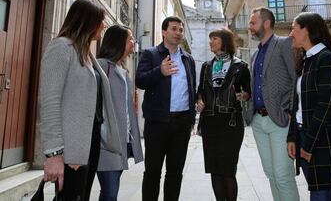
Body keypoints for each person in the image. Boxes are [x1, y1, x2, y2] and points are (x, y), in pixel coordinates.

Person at [39, 0, 122, 200]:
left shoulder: (86, 53)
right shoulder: (61, 48)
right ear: (86, 21)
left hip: (89, 144)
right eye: (100, 20)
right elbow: (50, 103)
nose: (104, 25)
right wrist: (54, 155)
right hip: (70, 149)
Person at [287, 12, 331, 200]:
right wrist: (292, 137)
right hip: (304, 135)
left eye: (294, 28)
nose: (291, 33)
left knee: (321, 194)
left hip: (323, 140)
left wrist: (308, 145)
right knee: (319, 191)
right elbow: (297, 105)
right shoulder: (305, 61)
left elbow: (325, 105)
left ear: (306, 30)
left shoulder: (326, 59)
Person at [135, 16, 196, 201]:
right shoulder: (151, 54)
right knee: (153, 172)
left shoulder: (188, 59)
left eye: (180, 29)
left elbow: (191, 88)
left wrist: (192, 117)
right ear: (164, 32)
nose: (178, 33)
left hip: (182, 124)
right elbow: (140, 80)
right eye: (174, 28)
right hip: (157, 123)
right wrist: (159, 72)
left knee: (175, 173)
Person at [244, 7, 300, 201]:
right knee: (271, 174)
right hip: (259, 122)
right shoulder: (254, 56)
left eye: (253, 23)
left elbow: (295, 80)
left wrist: (291, 111)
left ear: (266, 23)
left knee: (283, 176)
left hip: (280, 120)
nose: (249, 27)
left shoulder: (284, 44)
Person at [196, 28, 251, 201]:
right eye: (210, 38)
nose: (210, 41)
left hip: (231, 123)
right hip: (209, 122)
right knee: (214, 170)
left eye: (215, 38)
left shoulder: (240, 66)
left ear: (225, 41)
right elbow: (201, 90)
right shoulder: (206, 66)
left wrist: (243, 95)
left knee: (228, 170)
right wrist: (199, 100)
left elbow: (247, 91)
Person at [96, 25, 144, 200]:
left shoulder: (123, 71)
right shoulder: (101, 67)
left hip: (121, 142)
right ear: (118, 42)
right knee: (109, 192)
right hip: (106, 143)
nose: (134, 42)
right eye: (130, 38)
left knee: (110, 192)